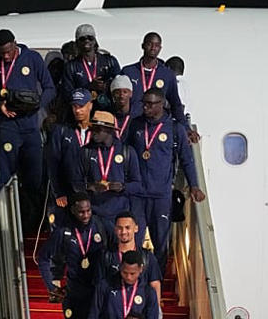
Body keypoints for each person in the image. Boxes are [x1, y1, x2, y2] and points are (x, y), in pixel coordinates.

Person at [127, 87, 205, 270]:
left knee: (160, 243)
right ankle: (134, 284)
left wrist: (194, 185)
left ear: (161, 104)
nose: (145, 108)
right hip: (137, 194)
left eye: (150, 104)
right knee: (134, 241)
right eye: (144, 103)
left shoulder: (174, 129)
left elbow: (187, 160)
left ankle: (157, 283)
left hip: (161, 195)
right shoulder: (136, 125)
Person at [0, 29, 55, 193]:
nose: (6, 57)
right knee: (6, 176)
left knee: (34, 177)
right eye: (2, 53)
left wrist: (37, 105)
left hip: (30, 125)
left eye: (8, 52)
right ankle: (5, 214)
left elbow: (50, 88)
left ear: (15, 43)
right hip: (7, 126)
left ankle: (31, 215)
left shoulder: (32, 58)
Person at [120, 32, 198, 143]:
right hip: (133, 126)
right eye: (149, 44)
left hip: (156, 128)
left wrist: (186, 128)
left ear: (160, 48)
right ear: (143, 46)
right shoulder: (128, 72)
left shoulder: (167, 75)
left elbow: (175, 103)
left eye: (156, 45)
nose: (153, 48)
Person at [70, 110, 141, 223]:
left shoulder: (127, 152)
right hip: (94, 216)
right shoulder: (85, 152)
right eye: (92, 128)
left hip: (120, 215)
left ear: (109, 130)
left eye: (98, 129)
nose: (93, 132)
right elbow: (75, 183)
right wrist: (90, 187)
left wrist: (122, 187)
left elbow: (137, 185)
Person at [45, 88, 93, 229]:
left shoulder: (98, 131)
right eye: (74, 106)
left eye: (81, 106)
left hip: (92, 194)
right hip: (68, 193)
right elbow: (53, 164)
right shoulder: (61, 131)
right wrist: (58, 193)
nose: (77, 110)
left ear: (90, 105)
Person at [62, 24, 121, 112]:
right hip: (82, 112)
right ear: (77, 42)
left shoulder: (109, 61)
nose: (86, 41)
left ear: (95, 41)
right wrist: (89, 87)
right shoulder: (71, 66)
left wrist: (107, 86)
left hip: (107, 111)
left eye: (90, 38)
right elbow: (67, 94)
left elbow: (121, 84)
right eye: (82, 38)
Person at [110, 76, 138, 145]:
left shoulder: (137, 115)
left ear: (131, 94)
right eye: (117, 92)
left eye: (125, 92)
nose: (121, 95)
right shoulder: (107, 115)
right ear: (112, 94)